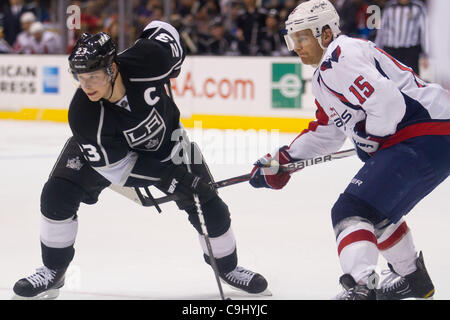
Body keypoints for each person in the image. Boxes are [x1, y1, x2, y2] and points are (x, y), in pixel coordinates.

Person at [12, 20, 269, 299]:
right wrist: (172, 180)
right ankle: (53, 271)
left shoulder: (149, 59)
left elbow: (163, 28)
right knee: (56, 194)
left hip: (168, 144)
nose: (86, 86)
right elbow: (118, 170)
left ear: (112, 68)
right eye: (80, 77)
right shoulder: (83, 114)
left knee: (211, 205)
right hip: (109, 155)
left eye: (93, 76)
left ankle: (228, 268)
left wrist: (173, 63)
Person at [249, 0, 450, 300]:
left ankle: (362, 286)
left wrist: (371, 141)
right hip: (430, 136)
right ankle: (413, 280)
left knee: (352, 210)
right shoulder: (325, 74)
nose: (297, 47)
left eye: (303, 37)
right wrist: (286, 159)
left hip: (425, 133)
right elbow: (329, 132)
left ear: (326, 34)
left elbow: (388, 105)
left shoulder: (341, 57)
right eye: (293, 39)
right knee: (376, 212)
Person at [375, 0, 429, 75]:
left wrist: (425, 54)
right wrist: (377, 50)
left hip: (410, 50)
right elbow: (381, 30)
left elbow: (424, 31)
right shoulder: (390, 7)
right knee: (390, 77)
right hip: (391, 50)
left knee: (411, 77)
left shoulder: (418, 7)